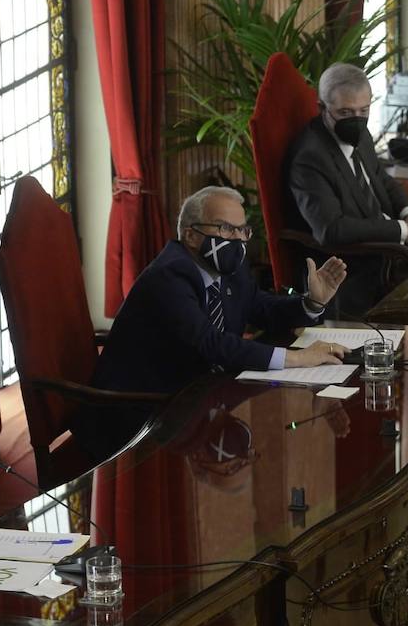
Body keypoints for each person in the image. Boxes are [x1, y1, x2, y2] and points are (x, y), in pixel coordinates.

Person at [74, 187, 349, 458]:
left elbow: (262, 307)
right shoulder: (169, 276)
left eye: (243, 230)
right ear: (192, 235)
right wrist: (300, 359)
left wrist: (312, 302)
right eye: (226, 229)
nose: (238, 240)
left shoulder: (229, 269)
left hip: (195, 402)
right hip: (138, 416)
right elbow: (212, 343)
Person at [286, 62, 408, 315]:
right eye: (345, 113)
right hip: (355, 271)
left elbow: (383, 180)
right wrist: (403, 232)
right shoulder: (309, 158)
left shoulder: (360, 134)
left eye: (364, 111)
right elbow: (330, 230)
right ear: (322, 108)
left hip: (392, 256)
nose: (356, 121)